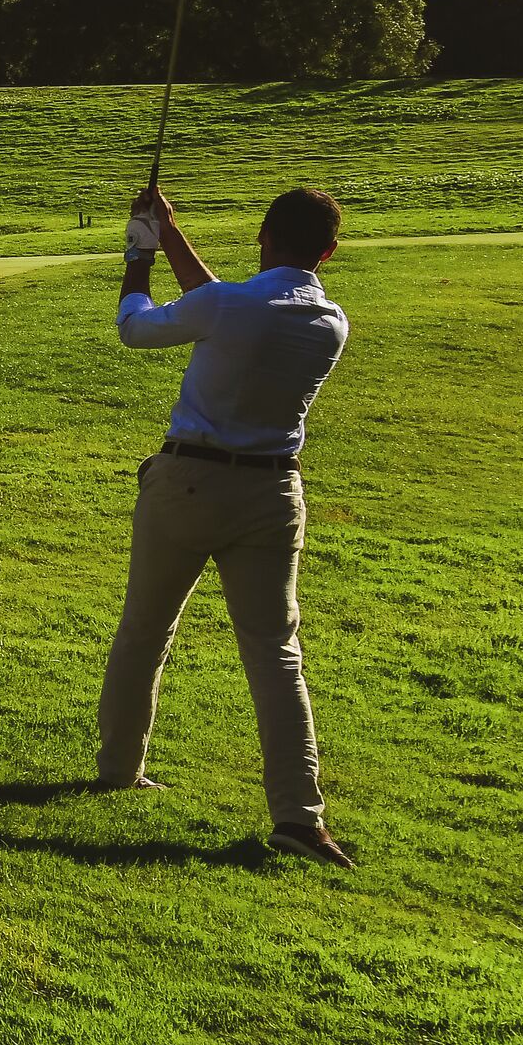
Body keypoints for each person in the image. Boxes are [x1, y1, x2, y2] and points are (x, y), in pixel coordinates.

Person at [99, 183, 359, 867]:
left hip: (188, 483)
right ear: (329, 251)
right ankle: (301, 819)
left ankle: (120, 769)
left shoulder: (229, 305)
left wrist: (140, 251)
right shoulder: (330, 321)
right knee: (276, 654)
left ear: (261, 235)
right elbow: (225, 305)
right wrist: (173, 233)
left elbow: (137, 326)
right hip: (273, 494)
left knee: (145, 630)